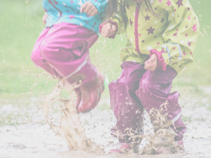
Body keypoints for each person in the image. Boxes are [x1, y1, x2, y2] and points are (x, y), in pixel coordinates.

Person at [100, 0, 199, 154]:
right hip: (137, 54)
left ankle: (171, 136)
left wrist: (163, 55)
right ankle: (129, 139)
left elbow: (185, 30)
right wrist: (113, 23)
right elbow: (122, 14)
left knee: (149, 84)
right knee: (123, 85)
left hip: (168, 54)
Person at [31, 0, 108, 113]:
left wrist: (98, 3)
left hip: (82, 15)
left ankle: (92, 80)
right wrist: (53, 8)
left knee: (50, 48)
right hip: (59, 15)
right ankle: (79, 85)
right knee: (38, 56)